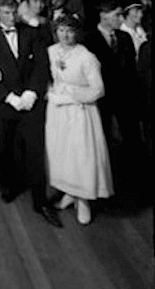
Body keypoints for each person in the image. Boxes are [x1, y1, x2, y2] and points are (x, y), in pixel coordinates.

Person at [0, 0, 61, 228]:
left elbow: (41, 65)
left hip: (30, 102)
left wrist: (32, 93)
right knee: (6, 148)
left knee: (35, 150)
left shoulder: (31, 32)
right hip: (6, 104)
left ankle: (41, 202)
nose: (10, 17)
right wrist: (9, 97)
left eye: (13, 12)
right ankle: (10, 186)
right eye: (5, 13)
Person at [45, 17, 113, 225]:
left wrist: (70, 96)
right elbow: (50, 77)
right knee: (62, 153)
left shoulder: (87, 57)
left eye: (70, 31)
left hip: (79, 112)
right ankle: (69, 192)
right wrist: (52, 93)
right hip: (58, 112)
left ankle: (83, 199)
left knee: (80, 155)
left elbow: (98, 90)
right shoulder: (51, 51)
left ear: (77, 33)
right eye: (61, 31)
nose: (65, 36)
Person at [83, 0, 142, 197]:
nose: (120, 19)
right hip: (101, 100)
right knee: (104, 140)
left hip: (125, 98)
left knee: (131, 138)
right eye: (117, 15)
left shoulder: (124, 37)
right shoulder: (88, 38)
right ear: (103, 15)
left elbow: (132, 70)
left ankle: (132, 182)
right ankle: (106, 183)